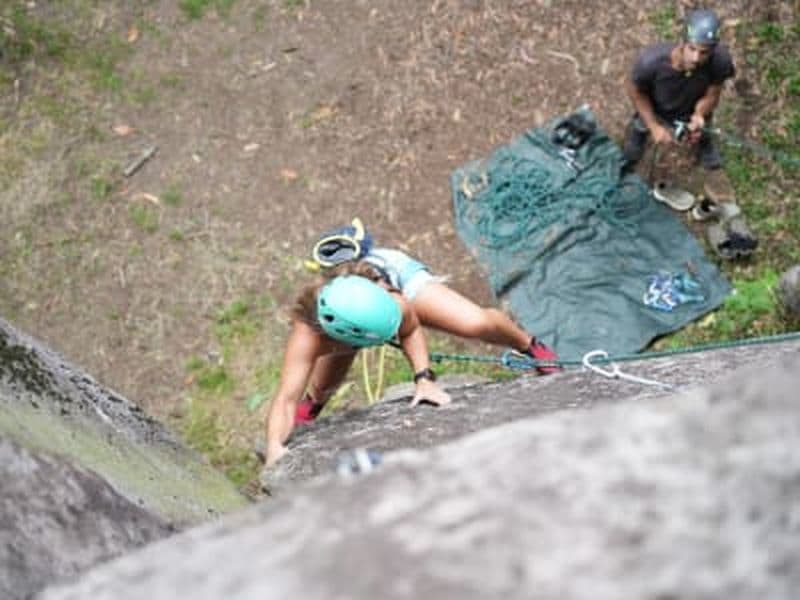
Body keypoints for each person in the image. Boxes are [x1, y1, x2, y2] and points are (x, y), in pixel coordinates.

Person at [263, 250, 560, 467]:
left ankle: (529, 344)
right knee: (334, 363)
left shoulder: (395, 302)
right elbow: (285, 398)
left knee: (476, 323)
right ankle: (314, 404)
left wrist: (424, 378)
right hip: (348, 323)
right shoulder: (308, 334)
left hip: (394, 276)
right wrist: (275, 447)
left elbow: (411, 329)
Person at [622, 9, 735, 172]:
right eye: (692, 49)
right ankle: (639, 135)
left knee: (703, 127)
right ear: (682, 42)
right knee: (643, 121)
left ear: (713, 50)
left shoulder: (720, 61)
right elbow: (636, 92)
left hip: (691, 107)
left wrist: (699, 114)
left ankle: (705, 144)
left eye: (704, 52)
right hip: (657, 105)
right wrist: (654, 127)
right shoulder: (651, 62)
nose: (696, 58)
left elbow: (713, 94)